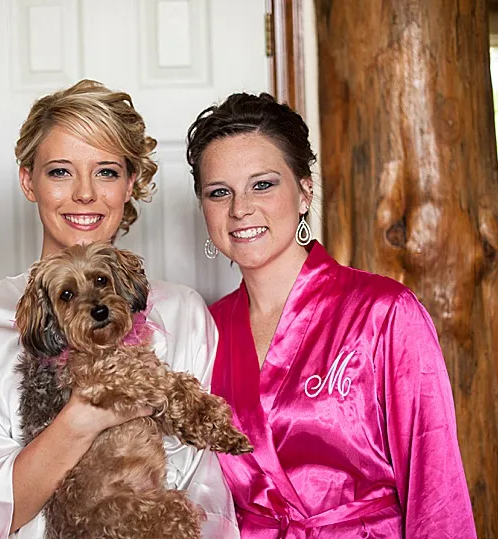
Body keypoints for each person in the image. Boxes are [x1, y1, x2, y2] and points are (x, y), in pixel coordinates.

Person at [0, 79, 238, 538]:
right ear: (28, 180)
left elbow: (202, 487)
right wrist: (82, 418)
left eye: (105, 171)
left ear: (131, 183)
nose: (85, 194)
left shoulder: (182, 312)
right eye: (60, 172)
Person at [185, 91, 477, 538]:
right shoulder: (202, 329)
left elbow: (435, 488)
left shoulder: (384, 312)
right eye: (219, 192)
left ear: (305, 191)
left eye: (262, 184)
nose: (240, 209)